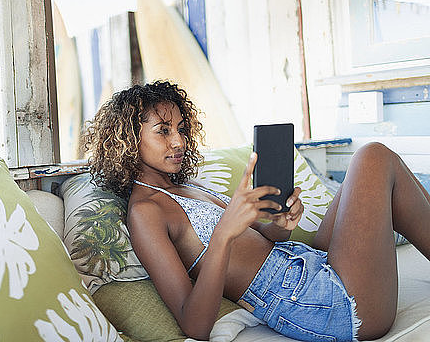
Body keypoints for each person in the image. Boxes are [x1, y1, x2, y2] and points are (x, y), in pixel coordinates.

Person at [82, 80, 430, 342]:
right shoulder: (146, 211)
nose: (178, 141)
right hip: (329, 307)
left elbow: (260, 242)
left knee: (371, 163)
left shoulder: (188, 186)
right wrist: (223, 235)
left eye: (181, 129)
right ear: (128, 140)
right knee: (372, 157)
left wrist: (280, 223)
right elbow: (194, 323)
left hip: (309, 264)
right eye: (163, 131)